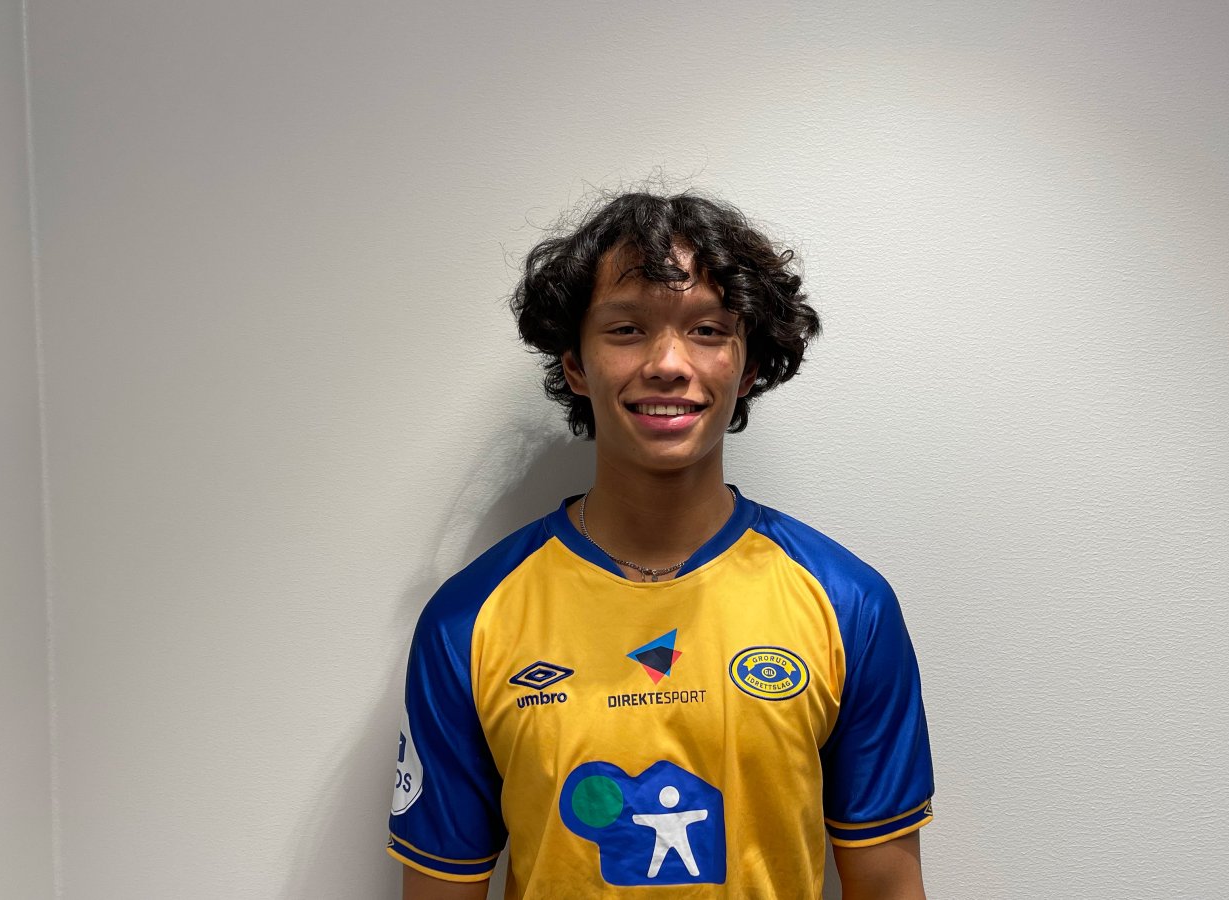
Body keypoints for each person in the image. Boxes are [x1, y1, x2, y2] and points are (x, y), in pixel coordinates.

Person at [388, 191, 934, 898]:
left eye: (708, 330)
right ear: (576, 365)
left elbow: (888, 887)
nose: (668, 362)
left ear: (750, 365)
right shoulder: (468, 620)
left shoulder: (849, 605)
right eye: (626, 329)